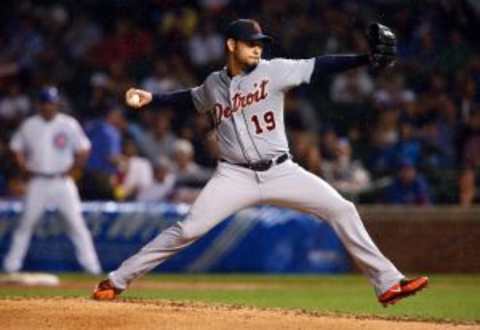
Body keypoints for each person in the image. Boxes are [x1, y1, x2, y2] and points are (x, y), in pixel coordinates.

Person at [93, 19, 428, 306]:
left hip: (282, 170)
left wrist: (364, 59)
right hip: (233, 176)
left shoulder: (275, 70)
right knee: (187, 230)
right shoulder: (214, 83)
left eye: (260, 44)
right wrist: (153, 99)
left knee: (342, 209)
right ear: (231, 45)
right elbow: (192, 98)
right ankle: (116, 281)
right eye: (251, 44)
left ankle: (387, 284)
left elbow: (320, 64)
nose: (257, 49)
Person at [3, 86, 101, 274]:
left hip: (62, 181)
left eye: (52, 103)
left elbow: (84, 149)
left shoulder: (68, 124)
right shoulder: (30, 124)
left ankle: (92, 268)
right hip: (38, 181)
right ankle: (11, 266)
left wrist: (74, 170)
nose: (49, 106)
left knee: (76, 225)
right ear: (40, 104)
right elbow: (15, 147)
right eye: (46, 103)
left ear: (57, 104)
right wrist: (23, 167)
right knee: (26, 224)